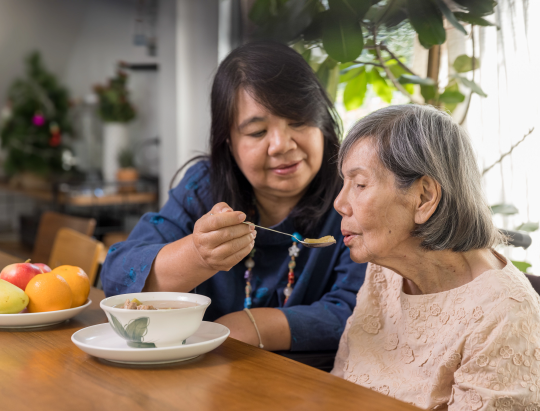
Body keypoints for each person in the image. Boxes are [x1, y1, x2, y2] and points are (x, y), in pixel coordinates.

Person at [101, 41, 366, 352]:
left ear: (322, 122)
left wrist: (251, 326)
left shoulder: (354, 197)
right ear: (228, 141)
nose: (281, 144)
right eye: (257, 132)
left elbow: (359, 310)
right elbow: (118, 277)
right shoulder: (204, 187)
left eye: (298, 121)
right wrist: (197, 255)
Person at [331, 104, 540, 411]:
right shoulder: (384, 272)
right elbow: (339, 386)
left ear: (424, 197)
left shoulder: (504, 314)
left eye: (360, 184)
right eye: (344, 183)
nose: (339, 203)